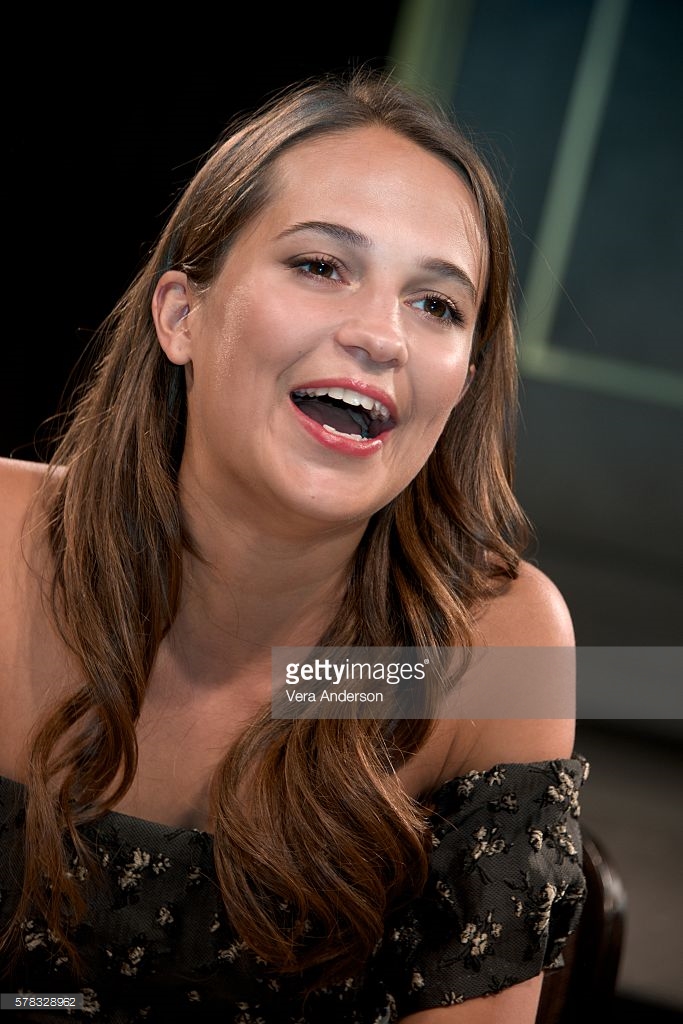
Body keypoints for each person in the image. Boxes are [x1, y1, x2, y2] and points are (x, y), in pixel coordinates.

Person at [0, 68, 587, 1022]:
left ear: (464, 382)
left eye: (436, 305)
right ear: (181, 315)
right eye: (320, 266)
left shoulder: (500, 649)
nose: (381, 337)